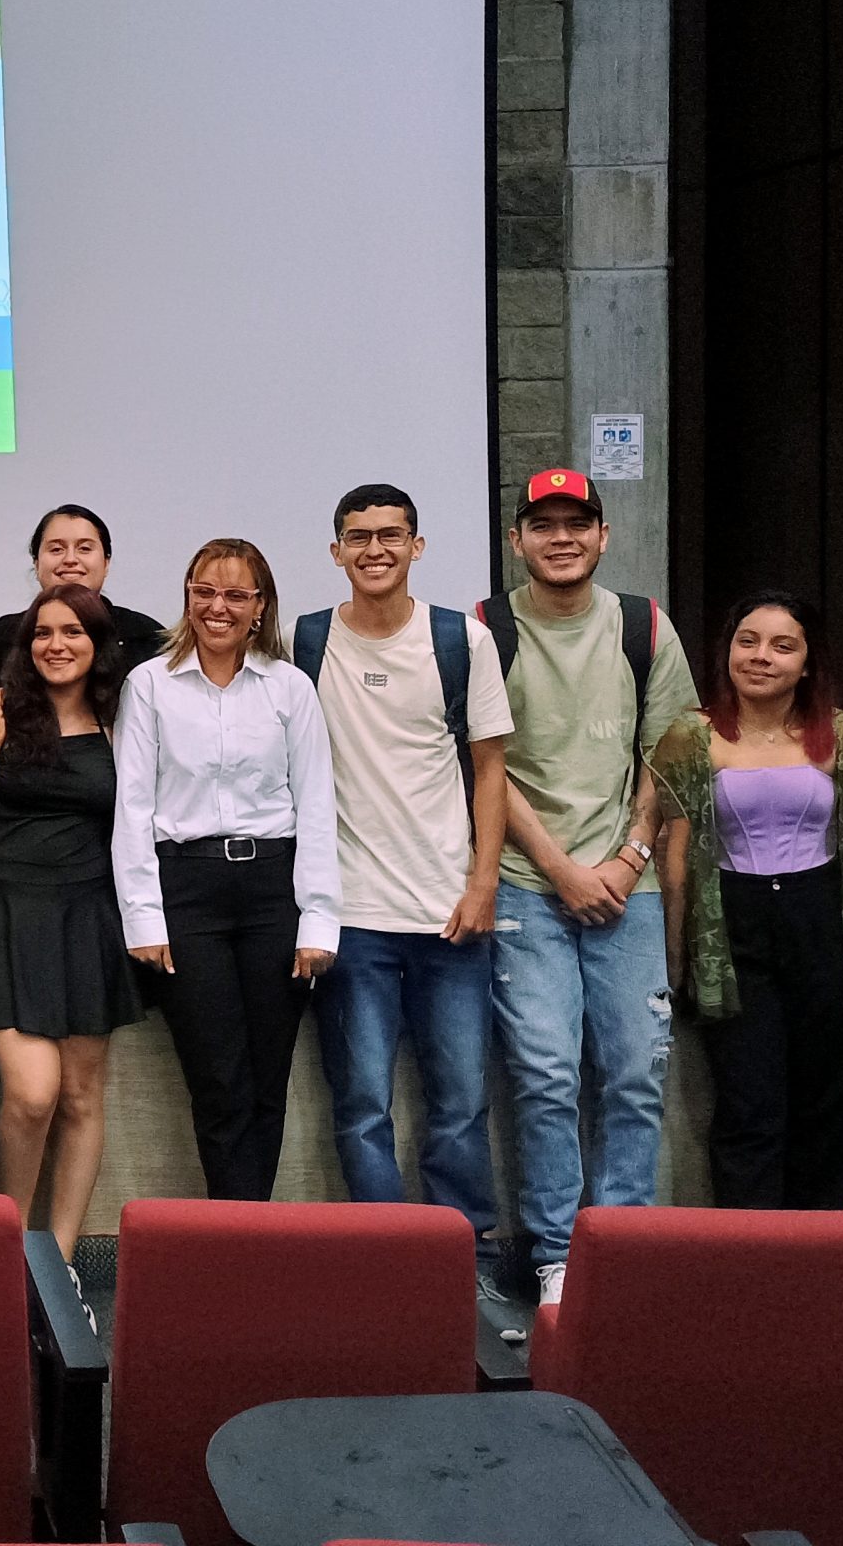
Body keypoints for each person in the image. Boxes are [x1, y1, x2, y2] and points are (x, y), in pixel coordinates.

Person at [487, 469, 698, 1305]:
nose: (562, 537)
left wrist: (627, 857)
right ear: (519, 540)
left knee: (636, 1071)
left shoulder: (644, 624)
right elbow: (486, 767)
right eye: (545, 524)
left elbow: (669, 752)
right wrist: (564, 869)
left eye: (579, 522)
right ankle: (556, 1254)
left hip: (627, 887)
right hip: (524, 883)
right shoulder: (486, 628)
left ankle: (625, 1245)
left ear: (604, 536)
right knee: (542, 1072)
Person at [292, 486, 513, 1279]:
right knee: (360, 1111)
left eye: (391, 536)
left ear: (418, 546)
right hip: (351, 920)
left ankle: (472, 1267)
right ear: (336, 551)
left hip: (450, 912)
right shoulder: (307, 641)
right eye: (358, 537)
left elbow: (491, 767)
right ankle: (395, 1268)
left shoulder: (460, 640)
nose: (374, 549)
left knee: (459, 1108)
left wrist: (483, 881)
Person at [651, 592, 843, 1209]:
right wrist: (676, 961)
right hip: (732, 926)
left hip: (825, 924)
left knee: (828, 1109)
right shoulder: (690, 735)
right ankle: (750, 1267)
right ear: (728, 649)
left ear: (808, 662)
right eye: (747, 641)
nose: (761, 657)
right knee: (748, 1108)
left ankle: (816, 1264)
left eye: (783, 646)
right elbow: (676, 854)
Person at [114, 538, 339, 1202]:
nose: (218, 607)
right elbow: (133, 807)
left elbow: (317, 802)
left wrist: (318, 920)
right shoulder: (149, 684)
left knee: (268, 1079)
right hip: (186, 894)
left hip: (273, 890)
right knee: (218, 1080)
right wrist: (144, 917)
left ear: (259, 606)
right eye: (204, 591)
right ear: (186, 596)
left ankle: (253, 1239)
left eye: (236, 594)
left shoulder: (289, 687)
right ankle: (232, 1239)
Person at [0, 584, 141, 1253]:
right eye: (43, 634)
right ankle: (9, 1253)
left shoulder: (122, 721)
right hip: (4, 913)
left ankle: (59, 1262)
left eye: (73, 632)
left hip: (89, 917)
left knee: (81, 1098)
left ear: (98, 643)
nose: (57, 646)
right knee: (31, 1095)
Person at [0, 505, 168, 692]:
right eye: (56, 549)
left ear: (106, 563)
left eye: (85, 549)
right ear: (36, 564)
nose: (70, 559)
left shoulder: (145, 636)